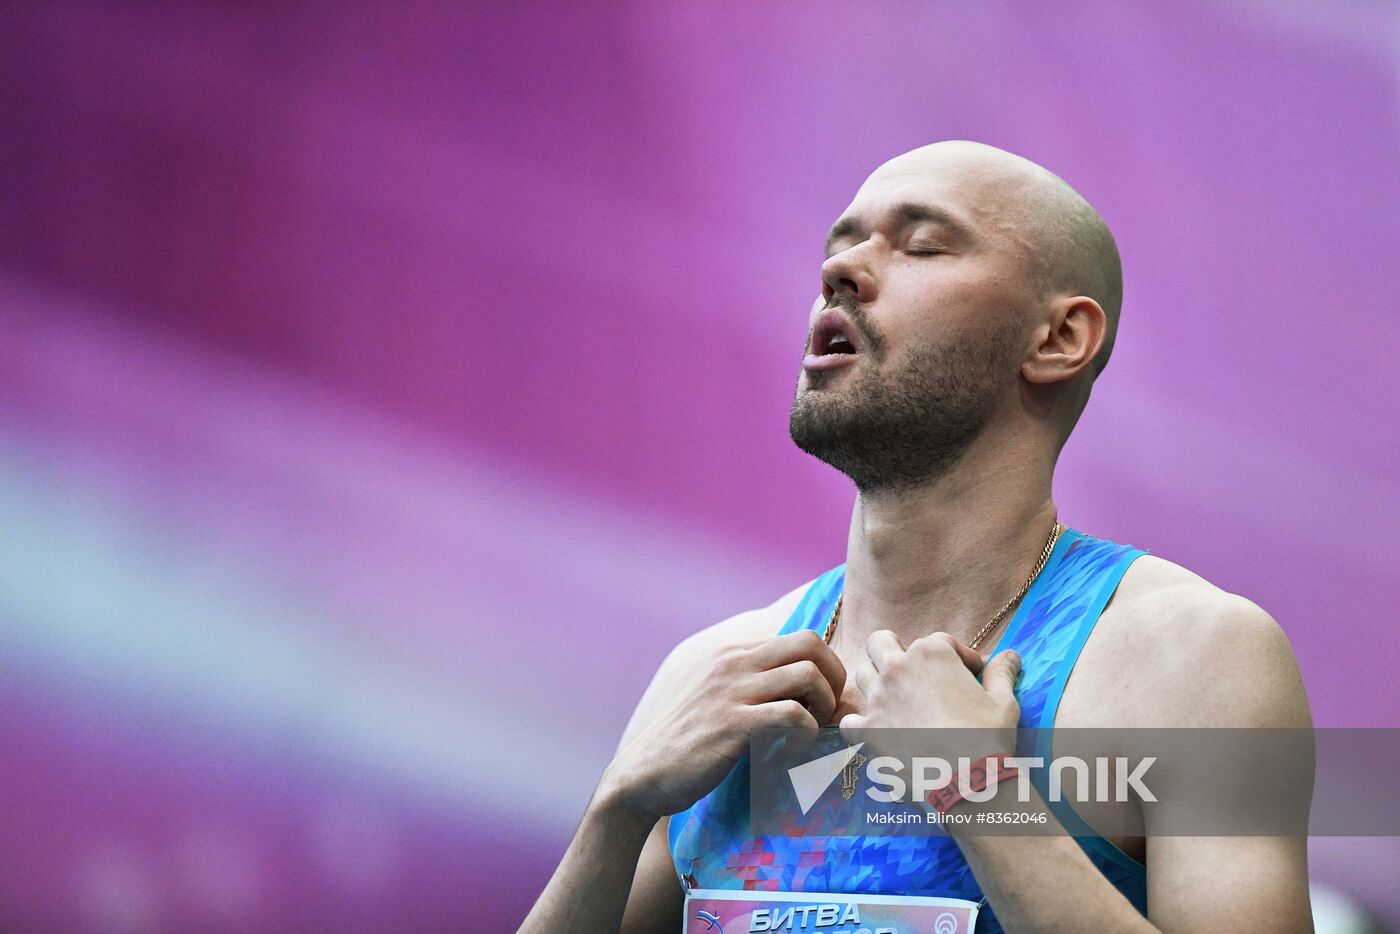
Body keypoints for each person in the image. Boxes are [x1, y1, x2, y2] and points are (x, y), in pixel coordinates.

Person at [521, 141, 1312, 933]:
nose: (842, 272)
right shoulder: (719, 670)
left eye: (922, 244)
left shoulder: (1192, 655)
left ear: (1059, 338)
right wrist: (617, 811)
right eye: (840, 246)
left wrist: (978, 792)